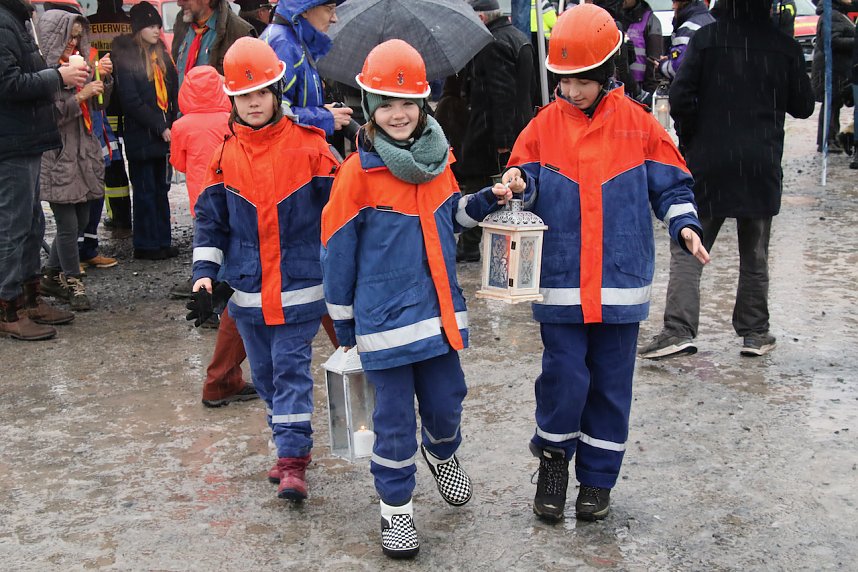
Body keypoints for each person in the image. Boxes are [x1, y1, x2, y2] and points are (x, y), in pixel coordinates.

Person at [503, 4, 709, 523]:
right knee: (565, 379)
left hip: (620, 287)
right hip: (560, 287)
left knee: (611, 389)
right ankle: (553, 462)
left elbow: (674, 185)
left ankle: (597, 482)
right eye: (564, 80)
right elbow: (517, 184)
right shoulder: (541, 128)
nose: (572, 91)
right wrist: (516, 188)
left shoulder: (639, 126)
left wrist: (684, 224)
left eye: (582, 81)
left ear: (606, 73)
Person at [321, 39, 512, 559]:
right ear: (368, 109)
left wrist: (486, 201)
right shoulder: (357, 174)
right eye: (385, 103)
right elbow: (336, 254)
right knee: (394, 424)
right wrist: (345, 329)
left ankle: (443, 453)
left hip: (438, 317)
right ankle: (396, 511)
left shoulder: (437, 159)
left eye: (407, 103)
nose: (398, 113)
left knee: (448, 402)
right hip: (382, 328)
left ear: (423, 106)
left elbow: (451, 217)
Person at [190, 37, 338, 500]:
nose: (254, 104)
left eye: (261, 94)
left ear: (277, 93)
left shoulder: (313, 149)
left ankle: (293, 460)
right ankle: (288, 446)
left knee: (292, 371)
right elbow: (210, 221)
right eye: (244, 96)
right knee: (268, 378)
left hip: (300, 291)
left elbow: (341, 217)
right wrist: (203, 272)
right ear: (232, 100)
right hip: (249, 296)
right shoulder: (223, 156)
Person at [639, 0, 814, 360]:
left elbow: (681, 98)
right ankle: (755, 331)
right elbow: (804, 106)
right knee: (755, 251)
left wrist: (695, 136)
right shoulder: (783, 45)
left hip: (710, 160)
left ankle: (678, 329)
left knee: (689, 243)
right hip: (760, 162)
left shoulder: (706, 39)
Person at [171, 64, 259, 407]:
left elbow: (178, 163)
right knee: (241, 290)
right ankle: (221, 378)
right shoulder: (230, 123)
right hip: (238, 204)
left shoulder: (181, 125)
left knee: (233, 285)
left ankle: (221, 378)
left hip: (204, 204)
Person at [0, 0, 87, 340]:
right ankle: (9, 307)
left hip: (25, 139)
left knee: (32, 224)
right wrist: (57, 76)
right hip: (11, 142)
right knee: (13, 227)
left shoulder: (17, 20)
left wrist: (58, 74)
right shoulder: (4, 23)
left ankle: (30, 297)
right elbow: (8, 84)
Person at [37, 10, 113, 312]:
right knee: (68, 226)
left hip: (82, 155)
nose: (74, 42)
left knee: (81, 220)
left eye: (79, 36)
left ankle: (50, 274)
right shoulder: (45, 72)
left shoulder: (79, 64)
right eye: (70, 35)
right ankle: (72, 281)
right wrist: (80, 96)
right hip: (58, 157)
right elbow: (48, 116)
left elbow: (101, 103)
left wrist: (103, 80)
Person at [457, 0, 536, 263]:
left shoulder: (493, 44)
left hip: (492, 135)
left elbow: (501, 95)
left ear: (481, 17)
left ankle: (471, 246)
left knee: (482, 187)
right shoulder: (517, 37)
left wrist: (503, 141)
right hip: (515, 127)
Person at [113, 2, 179, 261]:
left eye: (158, 26)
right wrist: (159, 125)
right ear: (139, 28)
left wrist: (172, 121)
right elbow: (130, 100)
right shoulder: (127, 55)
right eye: (151, 26)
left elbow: (172, 89)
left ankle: (163, 240)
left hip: (163, 133)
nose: (156, 30)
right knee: (144, 191)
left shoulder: (161, 53)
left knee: (161, 189)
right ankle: (146, 244)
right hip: (142, 134)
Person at [260, 0, 353, 136]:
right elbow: (274, 114)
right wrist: (325, 118)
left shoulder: (292, 40)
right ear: (304, 10)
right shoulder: (283, 45)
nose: (334, 18)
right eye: (329, 9)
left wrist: (321, 110)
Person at [88, 0, 133, 237]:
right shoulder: (129, 23)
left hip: (105, 104)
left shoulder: (89, 24)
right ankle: (128, 216)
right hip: (129, 103)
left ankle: (118, 216)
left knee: (112, 164)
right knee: (133, 163)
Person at [171, 0, 256, 85]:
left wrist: (226, 85)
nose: (179, 3)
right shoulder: (181, 24)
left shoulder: (240, 33)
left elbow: (250, 87)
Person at [810, 0, 855, 153]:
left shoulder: (837, 14)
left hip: (837, 68)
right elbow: (831, 41)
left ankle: (830, 139)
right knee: (831, 103)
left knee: (834, 103)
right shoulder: (831, 15)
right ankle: (827, 140)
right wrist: (855, 42)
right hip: (830, 69)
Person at [656, 0, 714, 82]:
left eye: (675, 2)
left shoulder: (687, 28)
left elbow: (677, 69)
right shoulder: (710, 20)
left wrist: (662, 65)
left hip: (695, 90)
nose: (673, 7)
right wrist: (671, 57)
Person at [621, 0, 663, 99]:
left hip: (639, 89)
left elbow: (654, 61)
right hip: (617, 88)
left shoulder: (651, 20)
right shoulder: (614, 18)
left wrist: (648, 95)